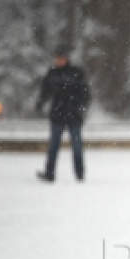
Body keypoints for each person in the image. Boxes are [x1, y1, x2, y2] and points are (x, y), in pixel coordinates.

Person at [36, 44, 90, 183]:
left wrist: (81, 107)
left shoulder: (76, 73)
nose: (58, 60)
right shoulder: (52, 73)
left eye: (61, 58)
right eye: (57, 58)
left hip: (73, 114)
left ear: (66, 58)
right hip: (58, 114)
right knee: (53, 146)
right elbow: (45, 91)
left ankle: (80, 173)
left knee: (76, 146)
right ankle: (49, 173)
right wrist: (40, 103)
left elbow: (85, 92)